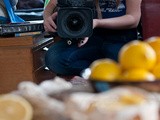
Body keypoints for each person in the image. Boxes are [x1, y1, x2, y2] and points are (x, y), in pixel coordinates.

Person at [43, 0, 142, 77]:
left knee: (126, 63)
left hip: (121, 37)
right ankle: (102, 70)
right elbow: (52, 3)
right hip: (91, 36)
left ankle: (102, 71)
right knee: (54, 58)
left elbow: (133, 19)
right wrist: (46, 17)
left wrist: (97, 22)